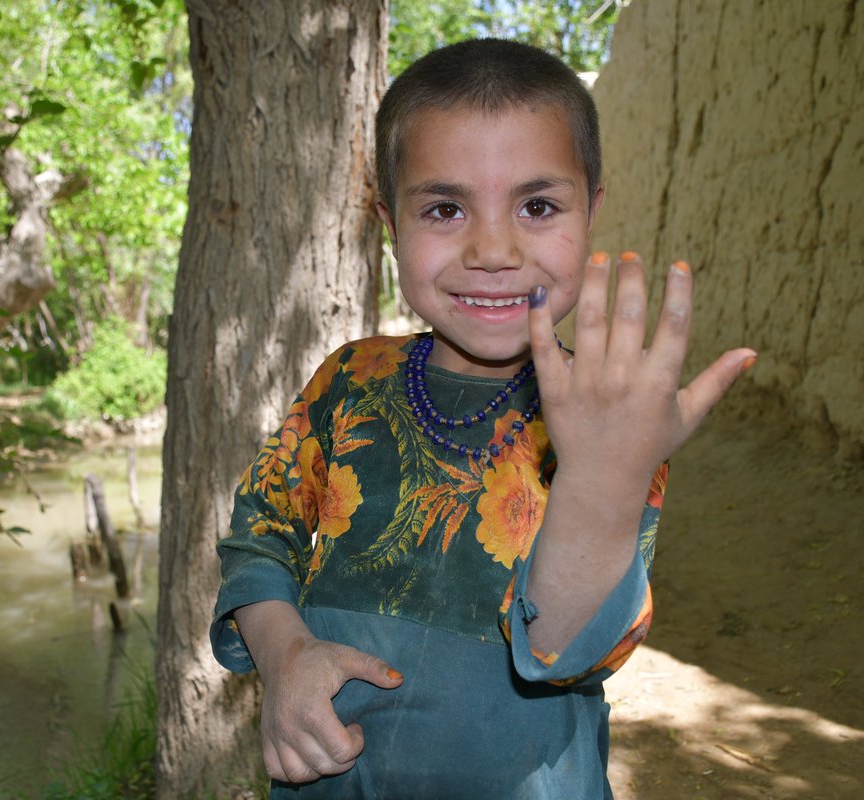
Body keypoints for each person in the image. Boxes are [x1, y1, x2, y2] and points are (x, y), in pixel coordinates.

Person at [210, 38, 755, 798]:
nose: (493, 250)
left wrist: (600, 482)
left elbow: (566, 650)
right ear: (388, 221)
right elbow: (258, 531)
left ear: (591, 208)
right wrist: (284, 653)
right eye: (444, 207)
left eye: (537, 206)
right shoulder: (347, 381)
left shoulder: (606, 419)